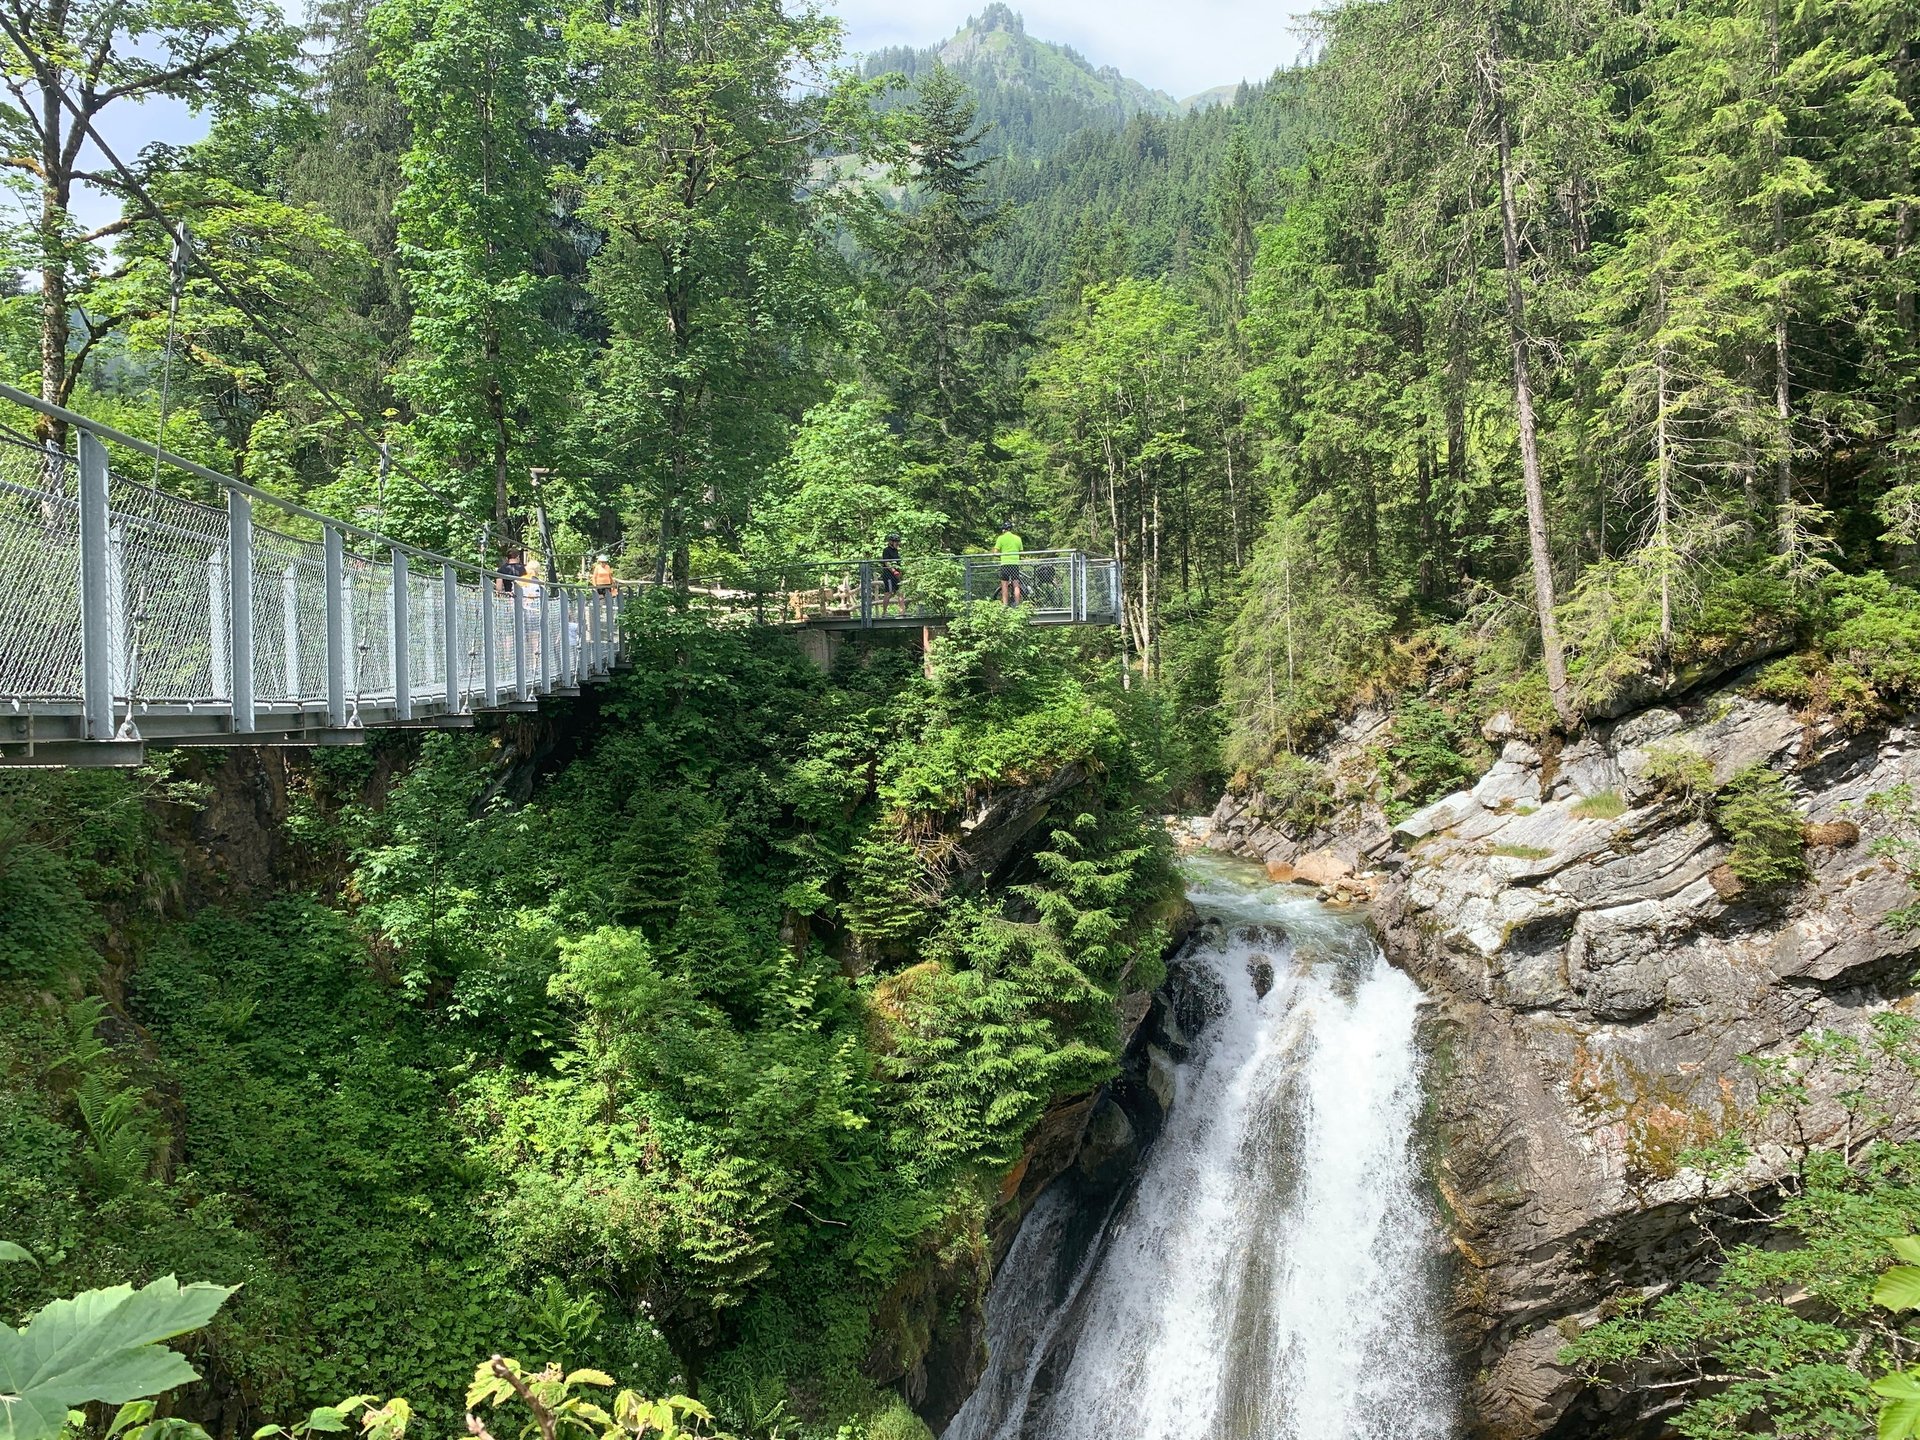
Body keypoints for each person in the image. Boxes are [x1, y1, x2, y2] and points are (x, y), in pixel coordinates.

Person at [995, 521, 1024, 603]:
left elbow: (995, 552)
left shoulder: (1001, 538)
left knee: (1004, 586)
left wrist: (1000, 555)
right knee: (1016, 585)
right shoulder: (1018, 538)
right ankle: (1017, 604)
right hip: (1015, 564)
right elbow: (1021, 552)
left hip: (1005, 564)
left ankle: (1005, 605)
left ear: (1004, 530)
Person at [879, 534, 904, 617]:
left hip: (896, 575)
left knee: (900, 592)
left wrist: (899, 572)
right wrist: (893, 571)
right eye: (895, 541)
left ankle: (902, 612)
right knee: (888, 593)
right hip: (888, 575)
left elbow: (898, 563)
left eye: (898, 542)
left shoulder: (896, 551)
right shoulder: (886, 550)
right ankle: (884, 612)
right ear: (891, 542)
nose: (897, 543)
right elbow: (887, 562)